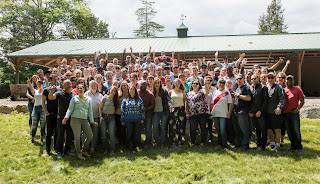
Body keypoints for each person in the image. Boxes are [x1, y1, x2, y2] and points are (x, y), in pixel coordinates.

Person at [63, 85, 98, 160]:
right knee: (77, 137)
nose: (80, 89)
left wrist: (92, 121)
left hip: (84, 120)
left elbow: (90, 111)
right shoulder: (74, 98)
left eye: (81, 88)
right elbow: (70, 109)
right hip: (75, 119)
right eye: (78, 89)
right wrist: (66, 117)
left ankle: (84, 150)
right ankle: (78, 152)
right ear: (77, 90)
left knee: (90, 135)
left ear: (84, 89)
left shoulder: (88, 99)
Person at [48, 79, 75, 159]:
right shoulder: (60, 93)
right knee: (60, 135)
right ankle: (59, 151)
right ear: (63, 85)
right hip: (61, 117)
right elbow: (51, 97)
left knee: (70, 134)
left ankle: (67, 150)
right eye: (67, 83)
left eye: (70, 83)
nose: (69, 85)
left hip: (70, 117)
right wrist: (52, 91)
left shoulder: (73, 94)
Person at [283, 75, 305, 152]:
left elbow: (302, 101)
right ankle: (293, 145)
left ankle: (299, 146)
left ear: (293, 81)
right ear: (285, 81)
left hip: (294, 113)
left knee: (296, 130)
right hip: (285, 113)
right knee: (289, 131)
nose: (289, 81)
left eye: (291, 80)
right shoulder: (284, 90)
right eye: (287, 80)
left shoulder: (297, 90)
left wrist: (298, 109)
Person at [121, 85, 145, 152]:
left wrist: (142, 118)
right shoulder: (125, 100)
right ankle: (127, 146)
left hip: (137, 119)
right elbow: (122, 110)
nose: (131, 91)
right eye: (130, 89)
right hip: (128, 119)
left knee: (136, 134)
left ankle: (135, 147)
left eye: (133, 89)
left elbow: (142, 109)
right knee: (129, 133)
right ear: (128, 91)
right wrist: (122, 119)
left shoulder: (139, 99)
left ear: (135, 91)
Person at [185, 80, 209, 147]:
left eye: (196, 83)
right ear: (192, 85)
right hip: (192, 113)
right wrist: (186, 112)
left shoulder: (201, 91)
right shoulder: (189, 93)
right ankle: (192, 142)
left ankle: (203, 142)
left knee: (202, 127)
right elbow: (186, 103)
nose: (195, 84)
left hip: (202, 113)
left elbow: (207, 92)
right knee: (192, 128)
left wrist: (206, 84)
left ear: (199, 85)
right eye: (193, 83)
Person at [266, 72, 286, 151]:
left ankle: (277, 144)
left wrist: (279, 107)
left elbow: (282, 99)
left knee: (277, 129)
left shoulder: (278, 87)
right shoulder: (266, 87)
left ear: (275, 78)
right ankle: (272, 142)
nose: (270, 79)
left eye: (272, 77)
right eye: (269, 77)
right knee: (269, 128)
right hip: (267, 112)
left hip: (275, 112)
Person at [211, 78, 233, 149]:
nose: (221, 84)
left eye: (223, 83)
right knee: (218, 129)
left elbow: (230, 103)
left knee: (223, 129)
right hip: (215, 113)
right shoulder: (215, 92)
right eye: (220, 82)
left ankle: (224, 144)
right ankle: (219, 143)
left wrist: (229, 113)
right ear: (217, 84)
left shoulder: (227, 92)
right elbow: (212, 103)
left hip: (223, 113)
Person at [232, 74, 252, 150]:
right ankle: (238, 144)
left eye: (240, 79)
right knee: (237, 130)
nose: (238, 80)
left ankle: (245, 145)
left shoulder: (246, 88)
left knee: (244, 129)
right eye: (237, 79)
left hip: (243, 111)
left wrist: (239, 96)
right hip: (236, 111)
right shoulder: (237, 88)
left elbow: (249, 98)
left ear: (243, 79)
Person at [249, 74, 268, 151]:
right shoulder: (251, 88)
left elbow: (266, 101)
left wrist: (260, 111)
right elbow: (251, 101)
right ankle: (258, 144)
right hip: (253, 112)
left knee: (263, 129)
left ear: (258, 79)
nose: (253, 80)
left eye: (255, 79)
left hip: (261, 112)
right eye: (252, 79)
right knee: (257, 129)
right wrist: (251, 111)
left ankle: (263, 146)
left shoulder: (263, 87)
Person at [42, 74, 59, 156]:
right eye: (54, 80)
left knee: (57, 132)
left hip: (57, 114)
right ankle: (48, 150)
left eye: (56, 80)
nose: (56, 81)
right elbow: (43, 102)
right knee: (49, 132)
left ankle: (55, 148)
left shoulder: (59, 90)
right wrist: (46, 112)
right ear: (50, 80)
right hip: (50, 114)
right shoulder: (46, 90)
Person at [99, 86, 119, 155]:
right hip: (104, 117)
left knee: (111, 133)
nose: (113, 92)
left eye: (114, 91)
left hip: (111, 118)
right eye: (112, 90)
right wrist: (101, 117)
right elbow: (100, 108)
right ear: (109, 90)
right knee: (104, 134)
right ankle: (105, 149)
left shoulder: (115, 100)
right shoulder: (104, 98)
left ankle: (113, 149)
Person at [85, 81, 103, 153]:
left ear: (97, 87)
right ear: (89, 87)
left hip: (96, 117)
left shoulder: (100, 95)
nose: (93, 87)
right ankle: (85, 148)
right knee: (86, 133)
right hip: (87, 117)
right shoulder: (86, 94)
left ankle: (93, 147)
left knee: (95, 134)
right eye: (91, 85)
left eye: (95, 85)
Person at [27, 77, 45, 144]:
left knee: (42, 124)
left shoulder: (44, 91)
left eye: (40, 84)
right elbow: (32, 91)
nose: (39, 85)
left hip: (43, 108)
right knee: (34, 123)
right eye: (38, 84)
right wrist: (29, 83)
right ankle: (32, 138)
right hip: (36, 108)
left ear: (42, 84)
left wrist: (46, 82)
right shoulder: (36, 91)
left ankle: (41, 138)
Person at [168, 79, 186, 146]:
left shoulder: (182, 91)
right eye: (176, 83)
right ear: (173, 83)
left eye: (178, 83)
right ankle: (173, 141)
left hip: (181, 108)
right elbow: (169, 101)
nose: (177, 84)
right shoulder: (170, 91)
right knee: (173, 125)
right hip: (173, 109)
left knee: (180, 125)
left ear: (180, 84)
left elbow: (184, 101)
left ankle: (180, 141)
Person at [152, 78, 170, 146]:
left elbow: (168, 100)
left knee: (163, 127)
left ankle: (162, 141)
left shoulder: (164, 91)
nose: (157, 84)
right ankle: (157, 142)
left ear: (160, 84)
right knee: (155, 127)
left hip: (164, 112)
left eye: (158, 83)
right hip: (155, 112)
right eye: (155, 83)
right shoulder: (152, 92)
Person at [138, 80, 155, 148]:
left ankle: (148, 142)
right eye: (142, 84)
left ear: (147, 86)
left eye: (145, 84)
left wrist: (146, 109)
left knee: (148, 128)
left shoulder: (150, 94)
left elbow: (153, 104)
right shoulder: (137, 92)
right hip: (138, 114)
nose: (143, 86)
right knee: (138, 128)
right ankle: (138, 142)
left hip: (148, 113)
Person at [116, 81, 129, 150]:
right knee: (119, 130)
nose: (124, 86)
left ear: (127, 86)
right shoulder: (119, 94)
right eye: (123, 85)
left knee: (126, 130)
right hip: (119, 114)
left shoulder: (129, 95)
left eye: (125, 85)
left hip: (127, 115)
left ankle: (126, 144)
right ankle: (120, 144)